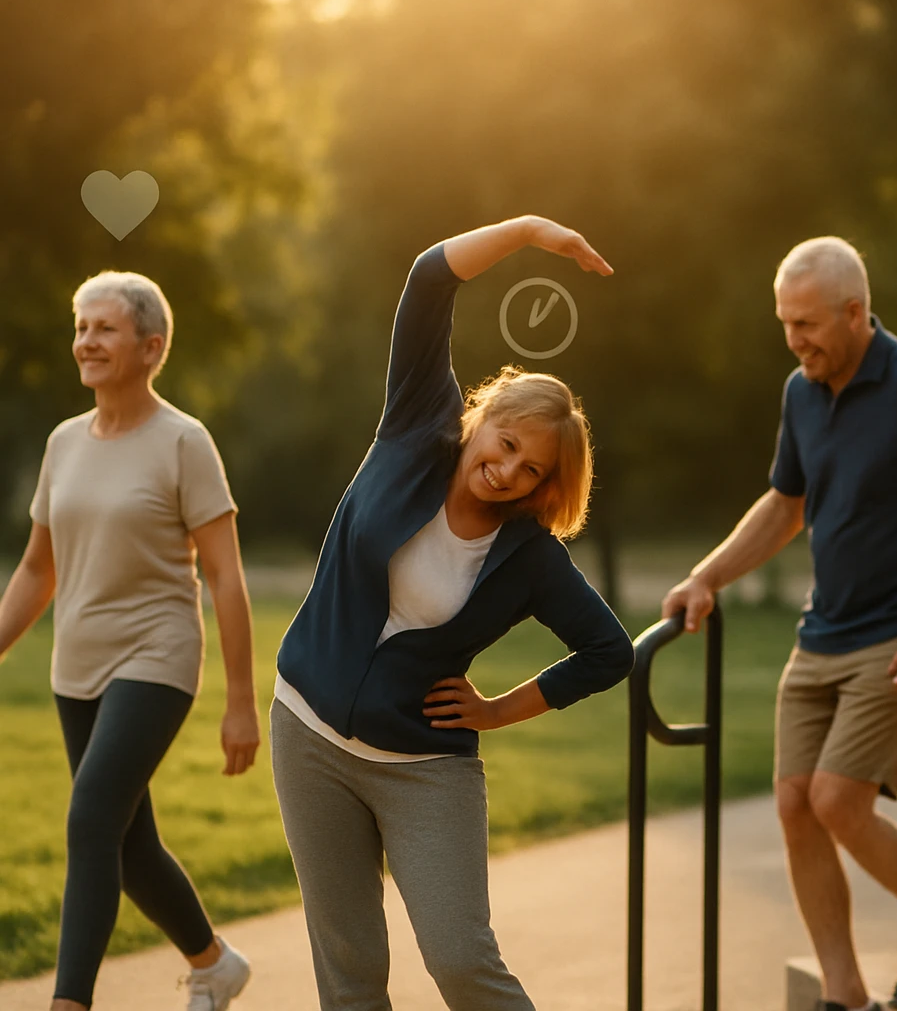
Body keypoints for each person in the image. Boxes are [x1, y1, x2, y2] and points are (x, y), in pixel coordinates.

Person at [268, 215, 633, 1011]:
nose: (504, 470)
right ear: (482, 416)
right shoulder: (413, 427)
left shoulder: (530, 555)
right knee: (350, 971)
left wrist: (499, 711)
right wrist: (533, 230)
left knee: (462, 962)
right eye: (503, 443)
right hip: (308, 738)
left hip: (425, 771)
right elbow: (429, 277)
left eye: (529, 469)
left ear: (544, 486)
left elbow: (610, 652)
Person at [663, 237, 897, 1011]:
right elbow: (785, 507)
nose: (795, 339)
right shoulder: (801, 391)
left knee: (835, 801)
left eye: (808, 323)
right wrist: (706, 577)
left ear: (856, 312)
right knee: (793, 803)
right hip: (822, 632)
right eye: (786, 324)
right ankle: (844, 992)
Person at [0, 271, 260, 1011]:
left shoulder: (184, 442)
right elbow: (34, 569)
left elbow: (225, 576)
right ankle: (214, 964)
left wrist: (239, 702)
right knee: (127, 842)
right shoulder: (62, 442)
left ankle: (68, 1003)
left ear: (151, 347)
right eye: (81, 327)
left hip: (157, 655)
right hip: (75, 663)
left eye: (103, 329)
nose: (85, 341)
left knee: (89, 819)